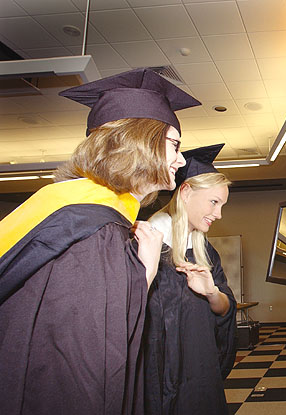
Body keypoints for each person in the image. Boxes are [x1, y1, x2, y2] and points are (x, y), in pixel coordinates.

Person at [0, 68, 200, 415]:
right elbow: (90, 363)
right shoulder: (97, 233)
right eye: (175, 145)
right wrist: (145, 272)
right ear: (141, 141)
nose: (181, 160)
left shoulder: (72, 212)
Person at [143, 144, 237, 415]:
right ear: (185, 193)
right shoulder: (149, 246)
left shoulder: (204, 251)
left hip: (202, 377)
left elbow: (226, 308)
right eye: (214, 202)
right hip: (159, 380)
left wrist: (211, 293)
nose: (218, 214)